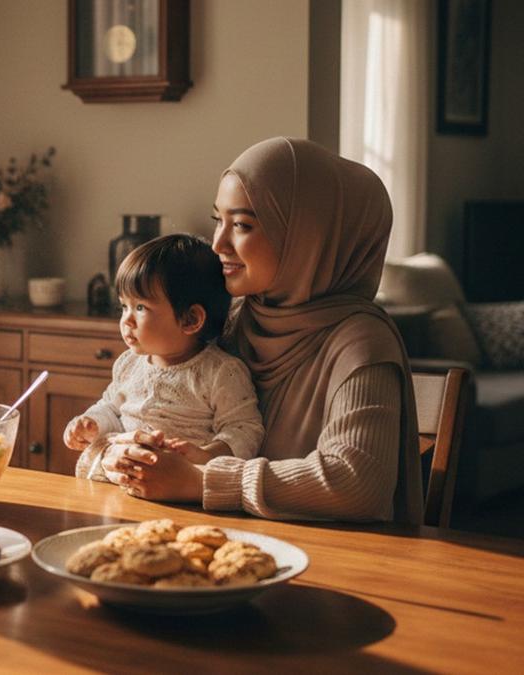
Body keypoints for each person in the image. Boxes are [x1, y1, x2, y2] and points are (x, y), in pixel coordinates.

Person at [106, 137, 422, 523]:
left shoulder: (360, 341)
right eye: (217, 221)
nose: (218, 244)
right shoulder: (234, 318)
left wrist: (201, 481)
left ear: (308, 236)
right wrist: (128, 455)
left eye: (241, 225)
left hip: (331, 559)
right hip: (217, 539)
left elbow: (355, 482)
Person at [64, 234, 264, 482]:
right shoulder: (128, 364)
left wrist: (205, 455)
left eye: (140, 308)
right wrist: (92, 423)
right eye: (123, 306)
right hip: (126, 478)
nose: (126, 320)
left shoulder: (221, 372)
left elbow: (245, 430)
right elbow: (112, 408)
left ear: (191, 320)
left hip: (182, 485)